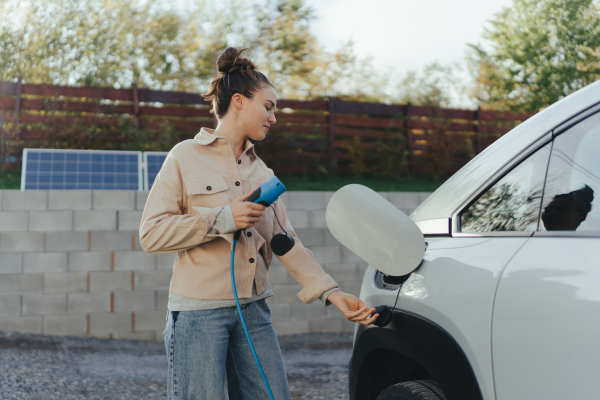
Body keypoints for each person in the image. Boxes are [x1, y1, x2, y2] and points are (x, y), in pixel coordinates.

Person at [139, 47, 379, 400]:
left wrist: (332, 293)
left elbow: (285, 241)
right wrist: (223, 219)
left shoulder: (262, 172)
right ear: (238, 101)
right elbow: (151, 233)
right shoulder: (184, 156)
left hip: (253, 311)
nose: (273, 117)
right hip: (198, 315)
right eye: (268, 107)